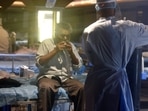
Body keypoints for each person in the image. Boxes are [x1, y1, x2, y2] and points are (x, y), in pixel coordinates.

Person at [81, 0, 148, 111]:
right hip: (116, 83)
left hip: (95, 81)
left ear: (97, 8)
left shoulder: (88, 31)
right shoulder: (127, 28)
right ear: (115, 7)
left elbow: (87, 53)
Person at [36, 22, 84, 111]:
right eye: (62, 36)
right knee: (45, 87)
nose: (65, 38)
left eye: (68, 36)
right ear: (55, 33)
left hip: (66, 78)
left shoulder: (71, 45)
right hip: (49, 76)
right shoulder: (46, 43)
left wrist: (71, 53)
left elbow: (78, 66)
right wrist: (55, 50)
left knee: (81, 88)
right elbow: (39, 63)